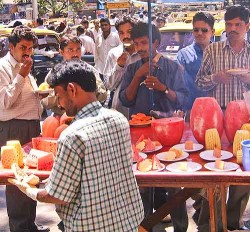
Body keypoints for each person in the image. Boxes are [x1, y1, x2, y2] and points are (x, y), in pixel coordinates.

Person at [11, 59, 145, 232]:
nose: (59, 104)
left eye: (59, 96)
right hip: (128, 223)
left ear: (72, 89)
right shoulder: (119, 119)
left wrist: (28, 189)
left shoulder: (73, 135)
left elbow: (57, 195)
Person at [119, 22, 189, 232]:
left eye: (144, 43)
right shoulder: (132, 68)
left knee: (173, 186)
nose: (140, 47)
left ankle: (180, 227)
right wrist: (139, 76)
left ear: (155, 43)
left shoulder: (172, 67)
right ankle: (146, 227)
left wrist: (163, 88)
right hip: (141, 137)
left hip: (168, 136)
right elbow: (126, 100)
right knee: (142, 186)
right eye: (136, 43)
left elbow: (182, 99)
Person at [196, 5, 250, 231]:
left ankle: (234, 224)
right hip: (216, 121)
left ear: (247, 26)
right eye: (229, 25)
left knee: (242, 177)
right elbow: (198, 83)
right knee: (215, 173)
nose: (233, 29)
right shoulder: (213, 50)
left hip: (246, 122)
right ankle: (211, 225)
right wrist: (214, 79)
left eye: (238, 24)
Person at [0, 25, 49, 232]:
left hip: (30, 126)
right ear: (11, 47)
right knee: (18, 182)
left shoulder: (25, 66)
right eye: (22, 47)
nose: (27, 52)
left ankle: (30, 225)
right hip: (14, 130)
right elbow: (4, 102)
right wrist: (21, 76)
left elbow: (25, 97)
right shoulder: (3, 68)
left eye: (30, 48)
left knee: (32, 178)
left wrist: (40, 95)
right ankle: (20, 227)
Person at [41, 34, 107, 116]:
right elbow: (44, 101)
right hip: (61, 118)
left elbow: (103, 95)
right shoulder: (54, 73)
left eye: (78, 49)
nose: (75, 53)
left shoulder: (89, 70)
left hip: (86, 116)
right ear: (61, 52)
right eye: (70, 50)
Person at [103, 16, 140, 118]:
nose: (126, 36)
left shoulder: (145, 53)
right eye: (121, 33)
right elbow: (109, 85)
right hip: (120, 109)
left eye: (129, 31)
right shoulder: (114, 53)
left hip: (141, 108)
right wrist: (119, 66)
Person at [177, 12, 214, 113]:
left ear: (212, 32)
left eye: (204, 30)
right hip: (191, 110)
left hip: (215, 109)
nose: (199, 33)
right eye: (196, 30)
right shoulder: (183, 54)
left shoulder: (219, 53)